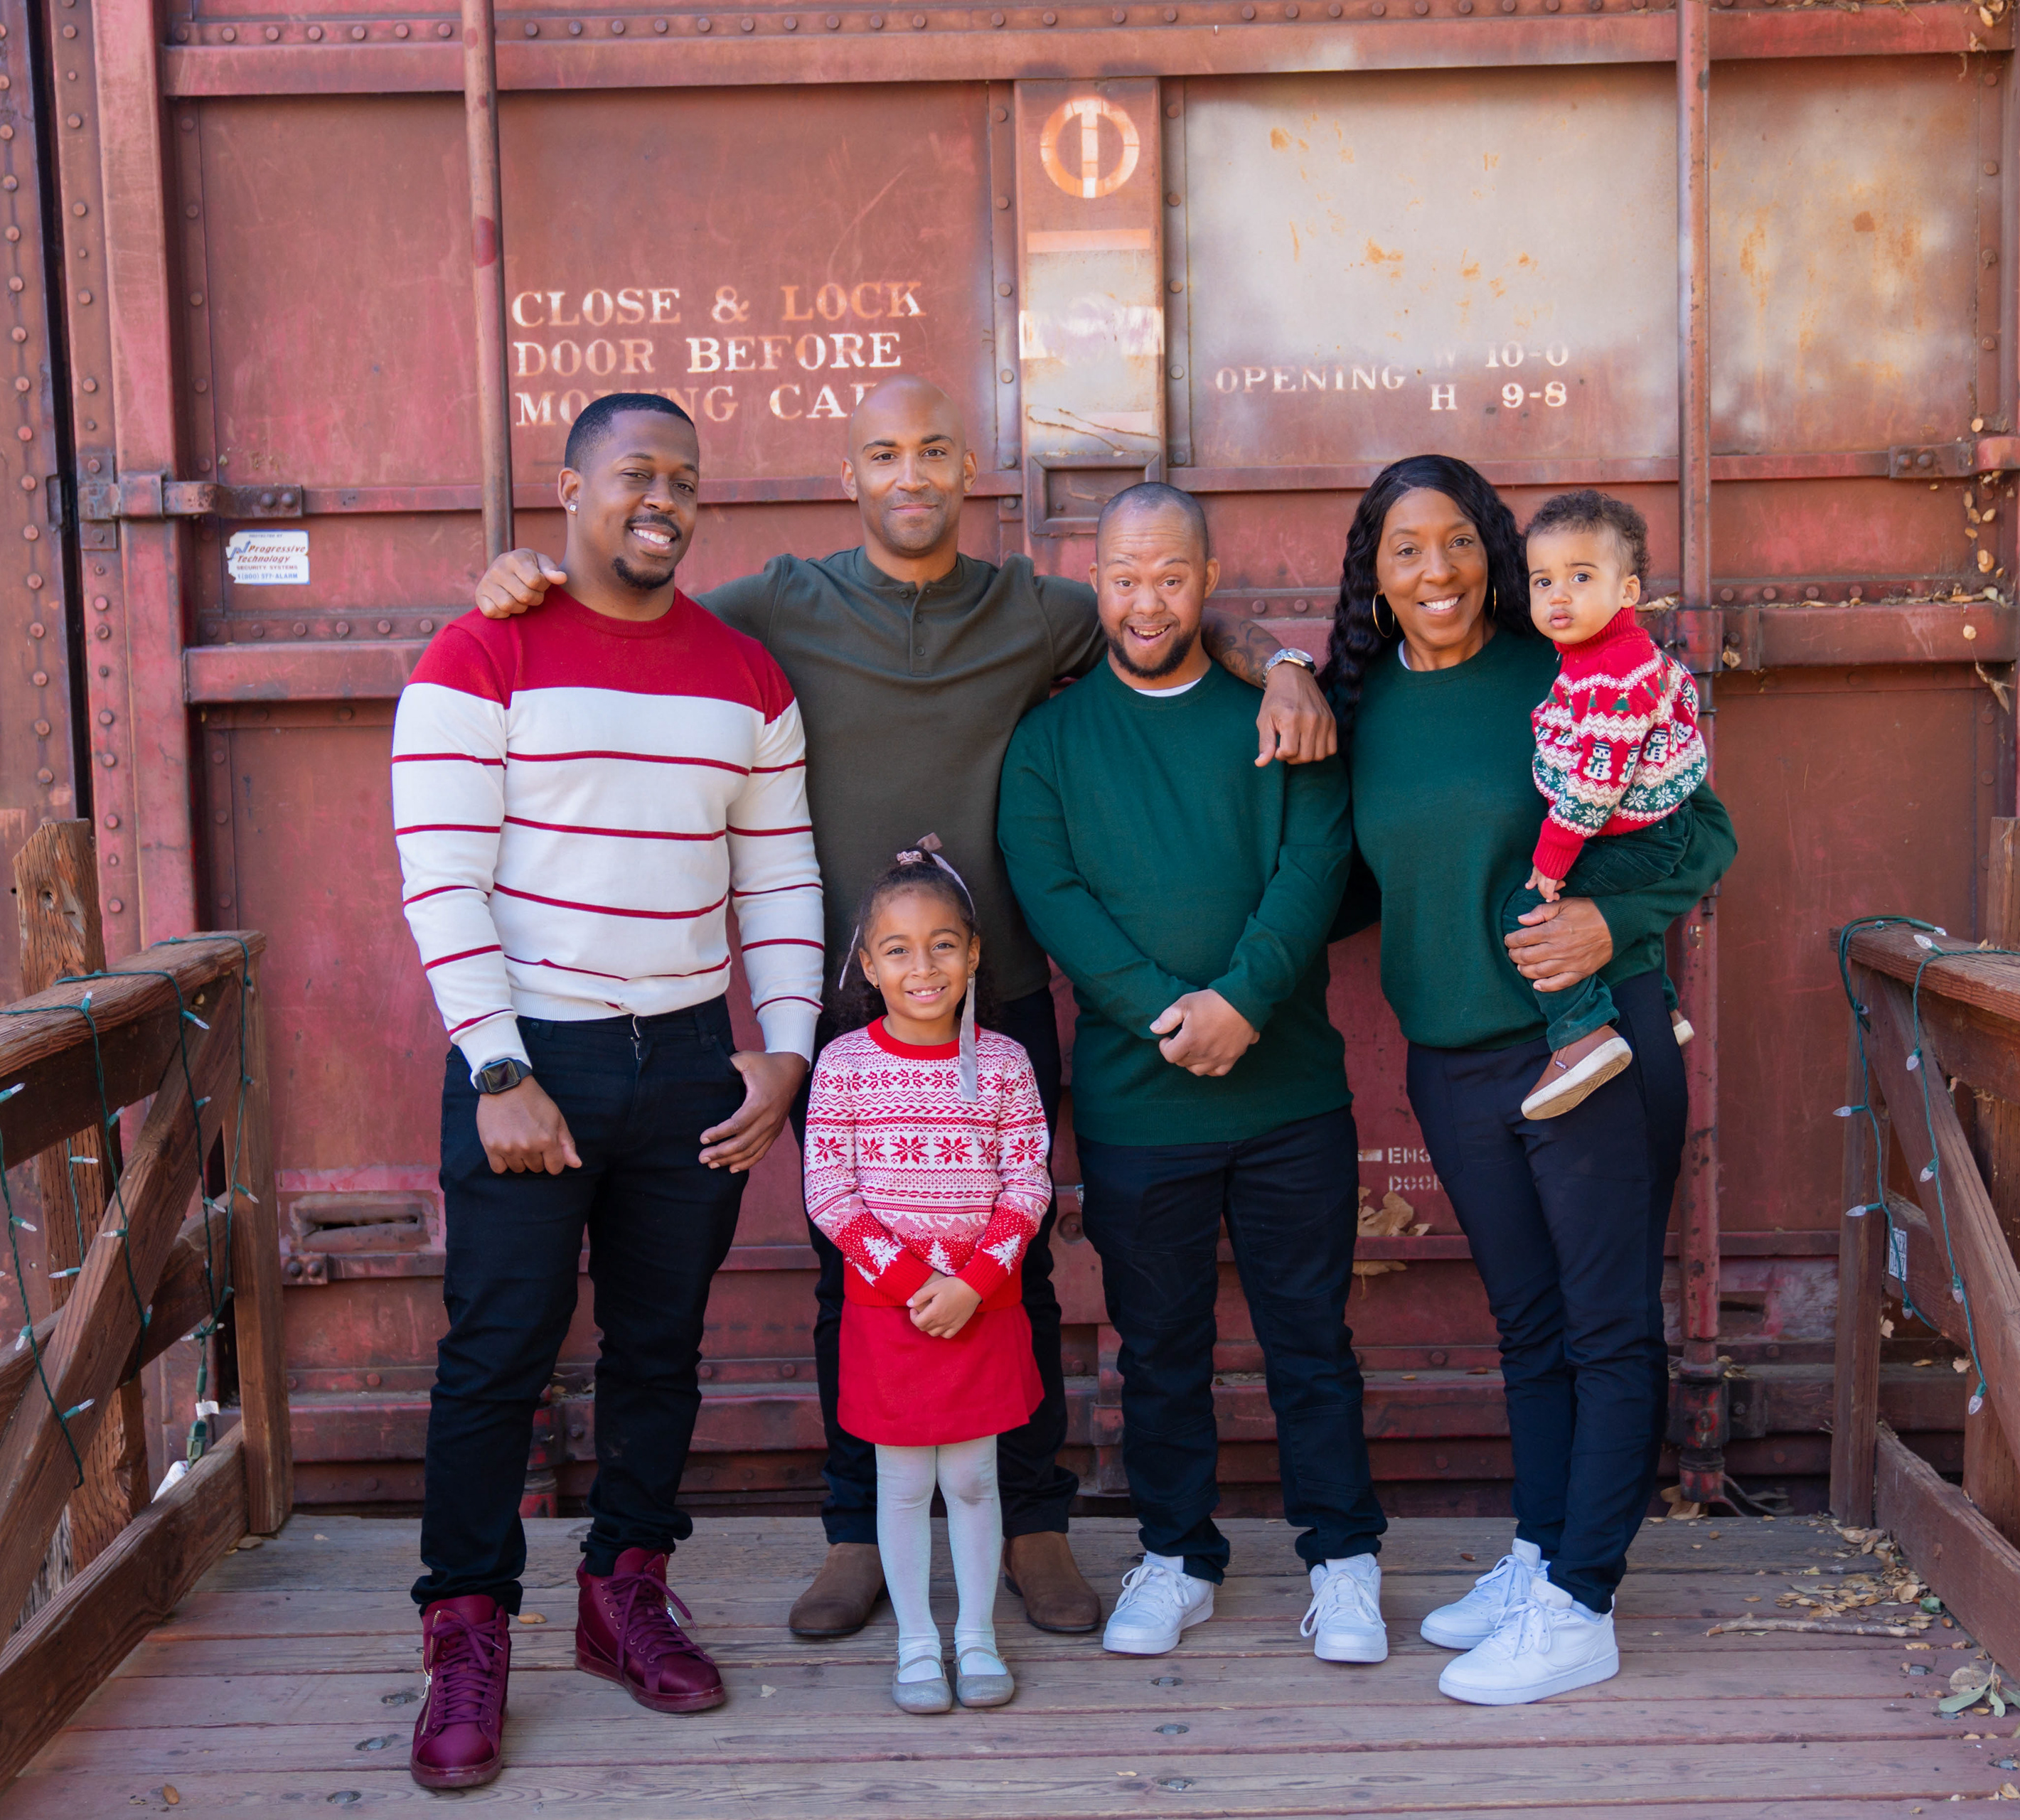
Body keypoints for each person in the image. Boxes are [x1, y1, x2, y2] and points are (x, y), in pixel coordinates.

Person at [468, 375, 1338, 1641]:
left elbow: (1175, 613)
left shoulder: (1034, 609)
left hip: (1005, 1000)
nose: (912, 474)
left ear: (970, 470)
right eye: (885, 454)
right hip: (849, 1010)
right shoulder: (783, 602)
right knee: (856, 1272)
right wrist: (528, 583)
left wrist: (1289, 663)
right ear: (852, 476)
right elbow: (639, 611)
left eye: (935, 451)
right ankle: (857, 1533)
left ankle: (1032, 1523)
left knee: (1014, 1261)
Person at [392, 392, 821, 1789]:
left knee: (659, 1348)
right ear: (569, 487)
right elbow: (441, 876)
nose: (664, 500)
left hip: (691, 1058)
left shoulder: (745, 675)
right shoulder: (480, 652)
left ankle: (624, 1591)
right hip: (534, 1059)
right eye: (637, 473)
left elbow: (781, 877)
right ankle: (466, 1632)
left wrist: (786, 1049)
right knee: (497, 1353)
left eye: (684, 480)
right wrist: (498, 1064)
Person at [1320, 455, 1736, 1707]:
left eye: (1459, 540)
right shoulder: (1360, 704)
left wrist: (1613, 922)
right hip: (1451, 1056)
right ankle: (1545, 1551)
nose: (1436, 570)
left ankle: (1582, 1604)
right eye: (1405, 549)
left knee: (1607, 1326)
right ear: (1373, 573)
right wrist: (1277, 664)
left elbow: (1705, 833)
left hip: (1590, 1041)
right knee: (1530, 1326)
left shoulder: (1565, 668)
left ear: (1495, 552)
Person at [996, 482, 1388, 1667]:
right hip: (1139, 1106)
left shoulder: (1283, 719)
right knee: (1157, 1350)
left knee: (1309, 1342)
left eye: (1171, 577)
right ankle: (1177, 1557)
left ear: (1208, 581)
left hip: (1290, 1099)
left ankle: (1344, 1561)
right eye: (1124, 578)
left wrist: (1244, 1003)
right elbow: (1054, 896)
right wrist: (1170, 1016)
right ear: (1095, 586)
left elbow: (1314, 866)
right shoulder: (1050, 742)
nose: (1147, 601)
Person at [802, 845, 1054, 1713]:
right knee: (905, 1484)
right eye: (898, 949)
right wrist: (917, 1284)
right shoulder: (844, 1066)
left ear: (974, 953)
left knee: (976, 1479)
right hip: (891, 1312)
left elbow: (1028, 1184)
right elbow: (829, 1191)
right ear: (868, 965)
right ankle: (917, 1642)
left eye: (943, 944)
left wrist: (974, 1282)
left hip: (982, 1305)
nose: (924, 966)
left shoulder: (1006, 1063)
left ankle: (976, 1636)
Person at [1507, 489, 1709, 1119]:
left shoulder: (1613, 671)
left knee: (1529, 911)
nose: (1558, 596)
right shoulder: (1608, 655)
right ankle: (1664, 1010)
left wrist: (1556, 848)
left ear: (1628, 591)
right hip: (1653, 825)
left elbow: (1601, 775)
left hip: (1637, 834)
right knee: (1596, 901)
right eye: (1543, 580)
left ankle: (1583, 1036)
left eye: (1581, 577)